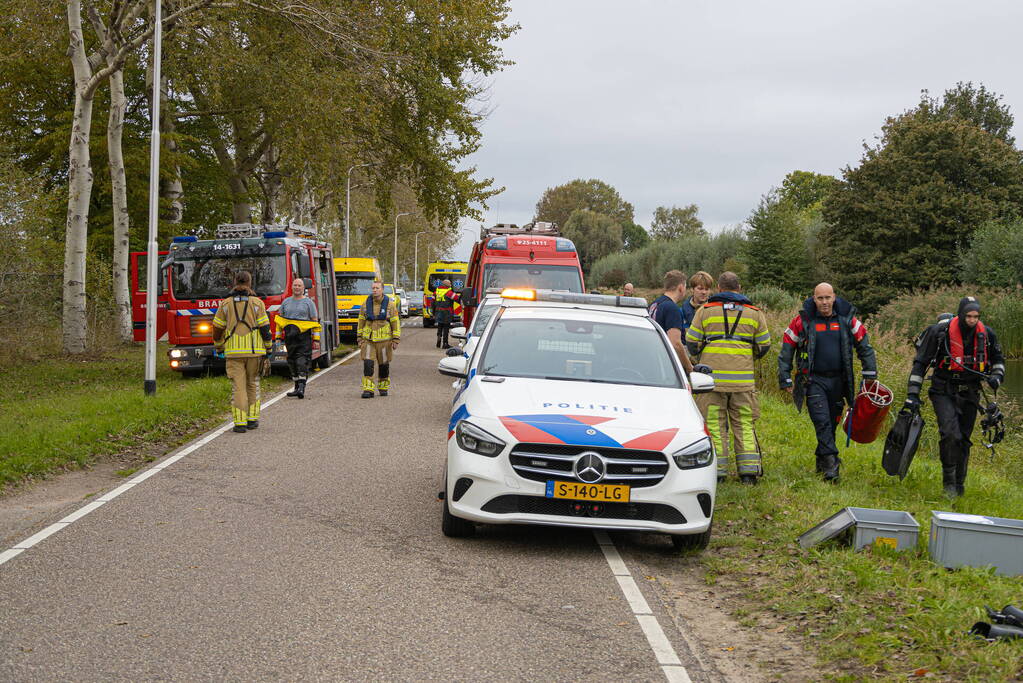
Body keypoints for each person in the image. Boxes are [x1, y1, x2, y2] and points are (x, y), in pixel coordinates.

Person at [777, 283, 877, 482]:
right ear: (814, 299)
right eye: (820, 298)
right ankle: (832, 465)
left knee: (830, 424)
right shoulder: (802, 320)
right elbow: (787, 347)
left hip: (840, 381)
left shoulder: (848, 319)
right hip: (813, 380)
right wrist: (785, 376)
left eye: (827, 298)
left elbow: (865, 347)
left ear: (834, 297)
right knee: (821, 421)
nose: (824, 302)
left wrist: (870, 376)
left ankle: (822, 461)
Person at [906, 296, 1005, 497]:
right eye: (968, 316)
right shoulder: (938, 333)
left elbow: (998, 361)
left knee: (964, 439)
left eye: (976, 316)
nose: (972, 320)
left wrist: (996, 377)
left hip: (970, 391)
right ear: (960, 315)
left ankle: (959, 485)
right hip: (943, 389)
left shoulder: (986, 335)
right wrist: (912, 395)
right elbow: (920, 364)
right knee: (950, 434)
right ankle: (949, 484)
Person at [686, 272, 770, 483]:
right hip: (743, 383)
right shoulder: (755, 313)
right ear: (739, 288)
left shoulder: (705, 311)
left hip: (711, 383)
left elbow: (692, 343)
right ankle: (749, 473)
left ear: (719, 289)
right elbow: (764, 345)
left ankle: (718, 473)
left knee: (714, 424)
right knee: (744, 424)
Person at [211, 271, 272, 433]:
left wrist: (218, 345)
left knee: (238, 387)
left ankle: (239, 423)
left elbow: (217, 328)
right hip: (255, 351)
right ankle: (252, 419)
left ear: (234, 282)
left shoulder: (225, 304)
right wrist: (268, 347)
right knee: (253, 384)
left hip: (233, 352)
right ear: (250, 283)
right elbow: (265, 328)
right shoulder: (258, 303)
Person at [274, 277, 321, 400]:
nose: (297, 287)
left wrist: (316, 340)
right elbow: (280, 321)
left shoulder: (309, 303)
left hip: (303, 337)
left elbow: (315, 322)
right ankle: (296, 387)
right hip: (290, 337)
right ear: (292, 287)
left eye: (299, 285)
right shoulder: (286, 302)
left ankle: (301, 388)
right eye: (295, 285)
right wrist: (278, 337)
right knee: (292, 362)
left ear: (303, 288)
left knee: (301, 361)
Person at [358, 280, 401, 398]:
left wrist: (396, 339)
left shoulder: (390, 305)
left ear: (382, 289)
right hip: (369, 341)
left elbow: (395, 322)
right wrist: (359, 338)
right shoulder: (365, 305)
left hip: (384, 342)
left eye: (377, 288)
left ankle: (383, 387)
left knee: (383, 365)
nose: (374, 290)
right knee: (368, 364)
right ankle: (368, 389)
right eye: (373, 288)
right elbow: (361, 321)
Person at [649, 270, 695, 374]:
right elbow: (675, 343)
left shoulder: (655, 304)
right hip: (667, 365)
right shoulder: (672, 308)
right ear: (681, 287)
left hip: (655, 359)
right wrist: (689, 368)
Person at [433, 279, 459, 349]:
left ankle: (439, 338)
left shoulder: (436, 292)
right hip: (447, 313)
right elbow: (458, 299)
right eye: (450, 283)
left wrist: (433, 313)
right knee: (446, 328)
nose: (451, 284)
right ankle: (445, 343)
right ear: (447, 285)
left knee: (440, 326)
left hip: (438, 312)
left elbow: (432, 303)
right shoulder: (449, 293)